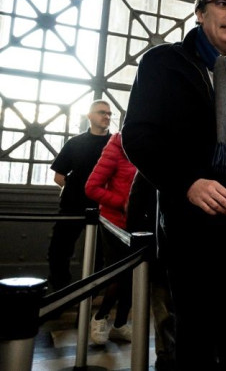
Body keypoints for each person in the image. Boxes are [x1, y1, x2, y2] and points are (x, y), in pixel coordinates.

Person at [121, 0, 226, 370]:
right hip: (195, 232)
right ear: (200, 12)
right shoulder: (165, 63)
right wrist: (187, 182)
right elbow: (138, 136)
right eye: (223, 4)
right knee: (195, 346)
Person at [47, 99, 112, 292]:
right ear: (89, 116)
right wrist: (75, 189)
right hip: (72, 206)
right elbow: (59, 177)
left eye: (109, 114)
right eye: (102, 112)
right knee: (58, 251)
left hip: (103, 208)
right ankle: (61, 294)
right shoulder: (75, 143)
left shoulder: (115, 144)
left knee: (101, 255)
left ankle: (92, 298)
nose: (107, 117)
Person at [85, 131, 137, 344]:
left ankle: (121, 323)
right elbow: (91, 187)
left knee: (135, 276)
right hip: (115, 222)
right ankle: (99, 317)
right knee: (118, 275)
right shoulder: (117, 144)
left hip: (140, 224)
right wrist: (122, 203)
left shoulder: (151, 143)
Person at [126, 172, 176, 371]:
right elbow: (136, 202)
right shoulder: (152, 161)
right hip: (158, 247)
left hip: (182, 248)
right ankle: (166, 356)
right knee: (163, 307)